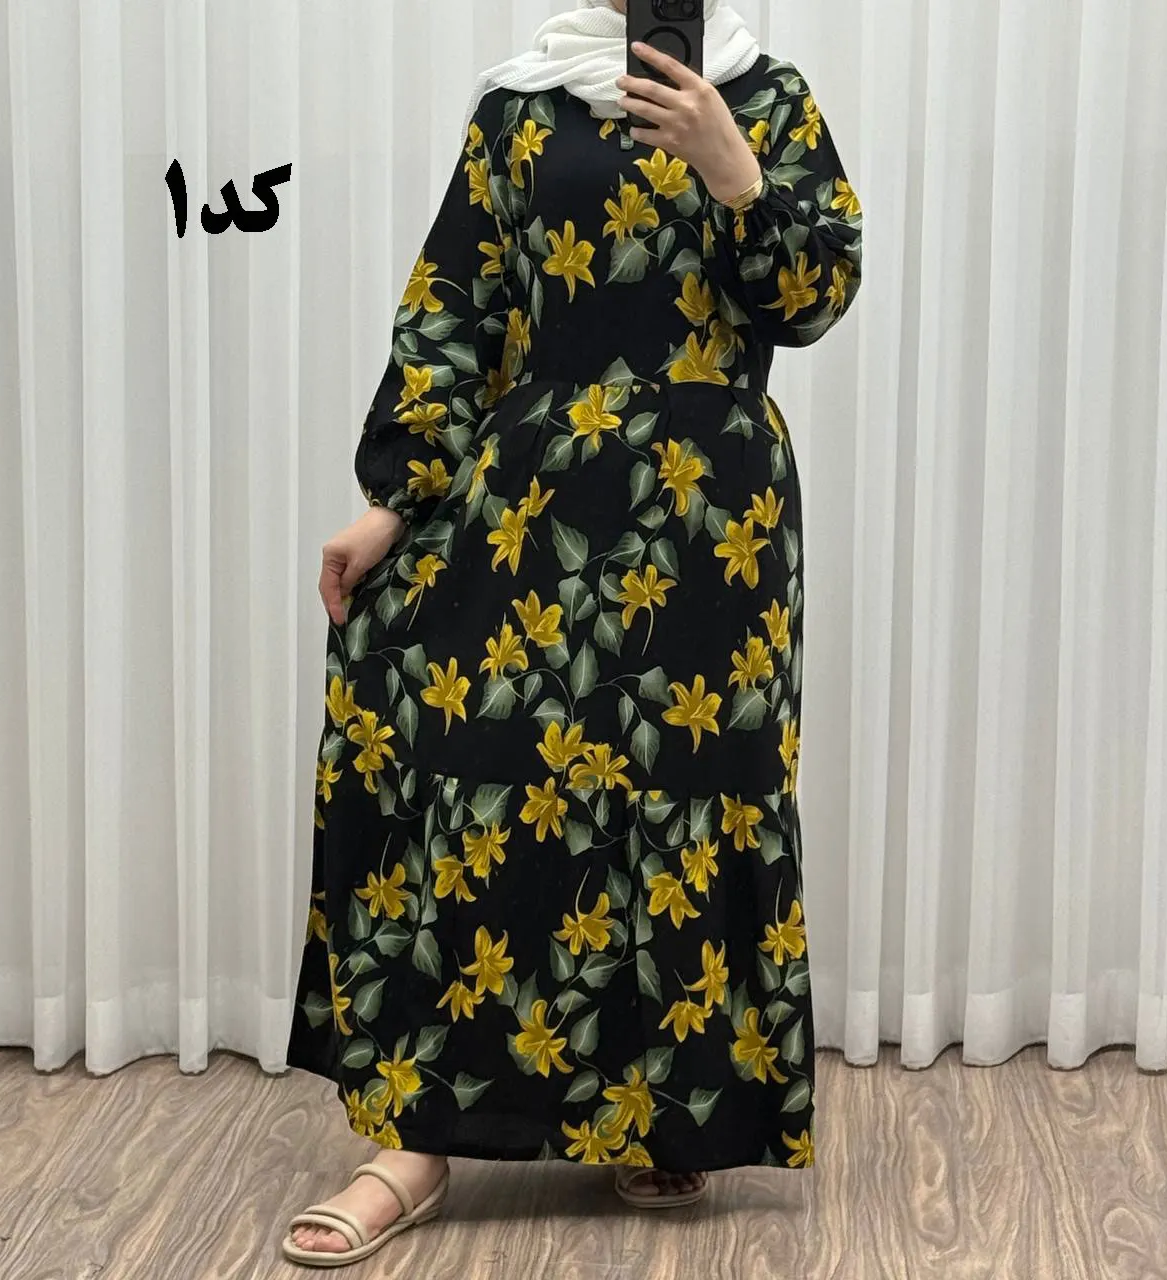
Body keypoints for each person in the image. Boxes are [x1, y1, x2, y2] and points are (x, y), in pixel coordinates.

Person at [282, 0, 862, 1265]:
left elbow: (814, 298)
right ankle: (413, 1136)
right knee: (475, 780)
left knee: (684, 791)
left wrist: (735, 172)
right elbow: (455, 312)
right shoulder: (518, 106)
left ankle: (659, 1113)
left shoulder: (764, 96)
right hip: (530, 496)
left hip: (712, 515)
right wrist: (391, 501)